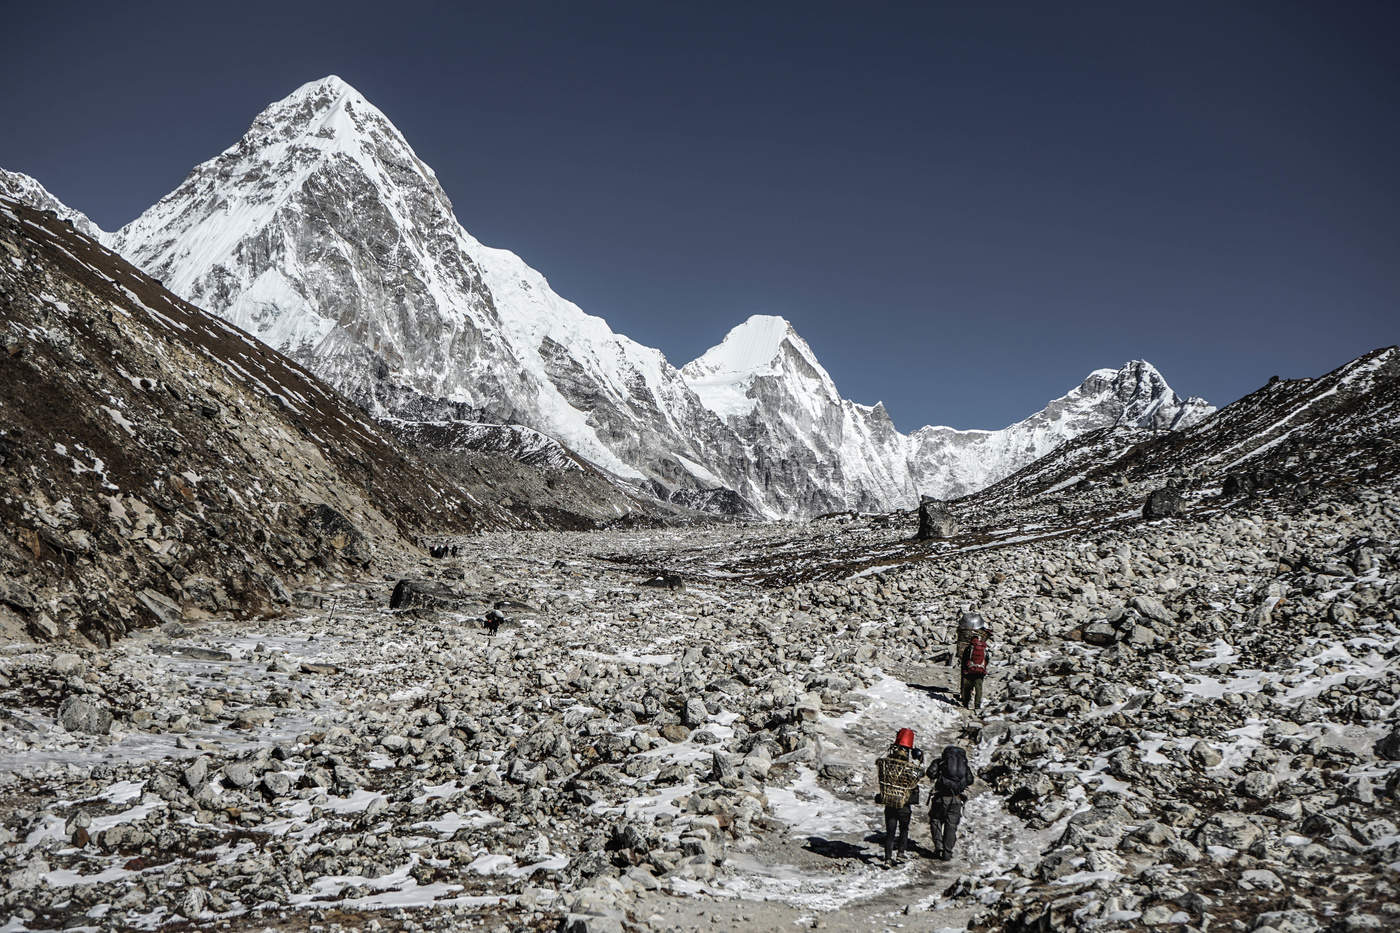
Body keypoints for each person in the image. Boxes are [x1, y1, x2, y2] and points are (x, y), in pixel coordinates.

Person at [875, 728, 924, 865]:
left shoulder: (888, 765)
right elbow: (919, 775)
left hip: (890, 803)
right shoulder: (910, 768)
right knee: (904, 829)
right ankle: (901, 853)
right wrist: (920, 759)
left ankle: (887, 858)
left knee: (890, 832)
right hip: (904, 805)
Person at [927, 745, 974, 860]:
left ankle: (939, 847)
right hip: (957, 800)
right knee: (951, 826)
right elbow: (970, 780)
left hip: (940, 798)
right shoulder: (964, 766)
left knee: (935, 819)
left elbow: (930, 773)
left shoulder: (940, 762)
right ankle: (947, 852)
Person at [960, 631, 989, 710]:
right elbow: (987, 660)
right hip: (980, 672)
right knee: (978, 689)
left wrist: (965, 669)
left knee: (967, 688)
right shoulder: (984, 648)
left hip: (969, 671)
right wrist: (983, 668)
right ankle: (977, 705)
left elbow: (965, 659)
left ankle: (966, 703)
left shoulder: (969, 648)